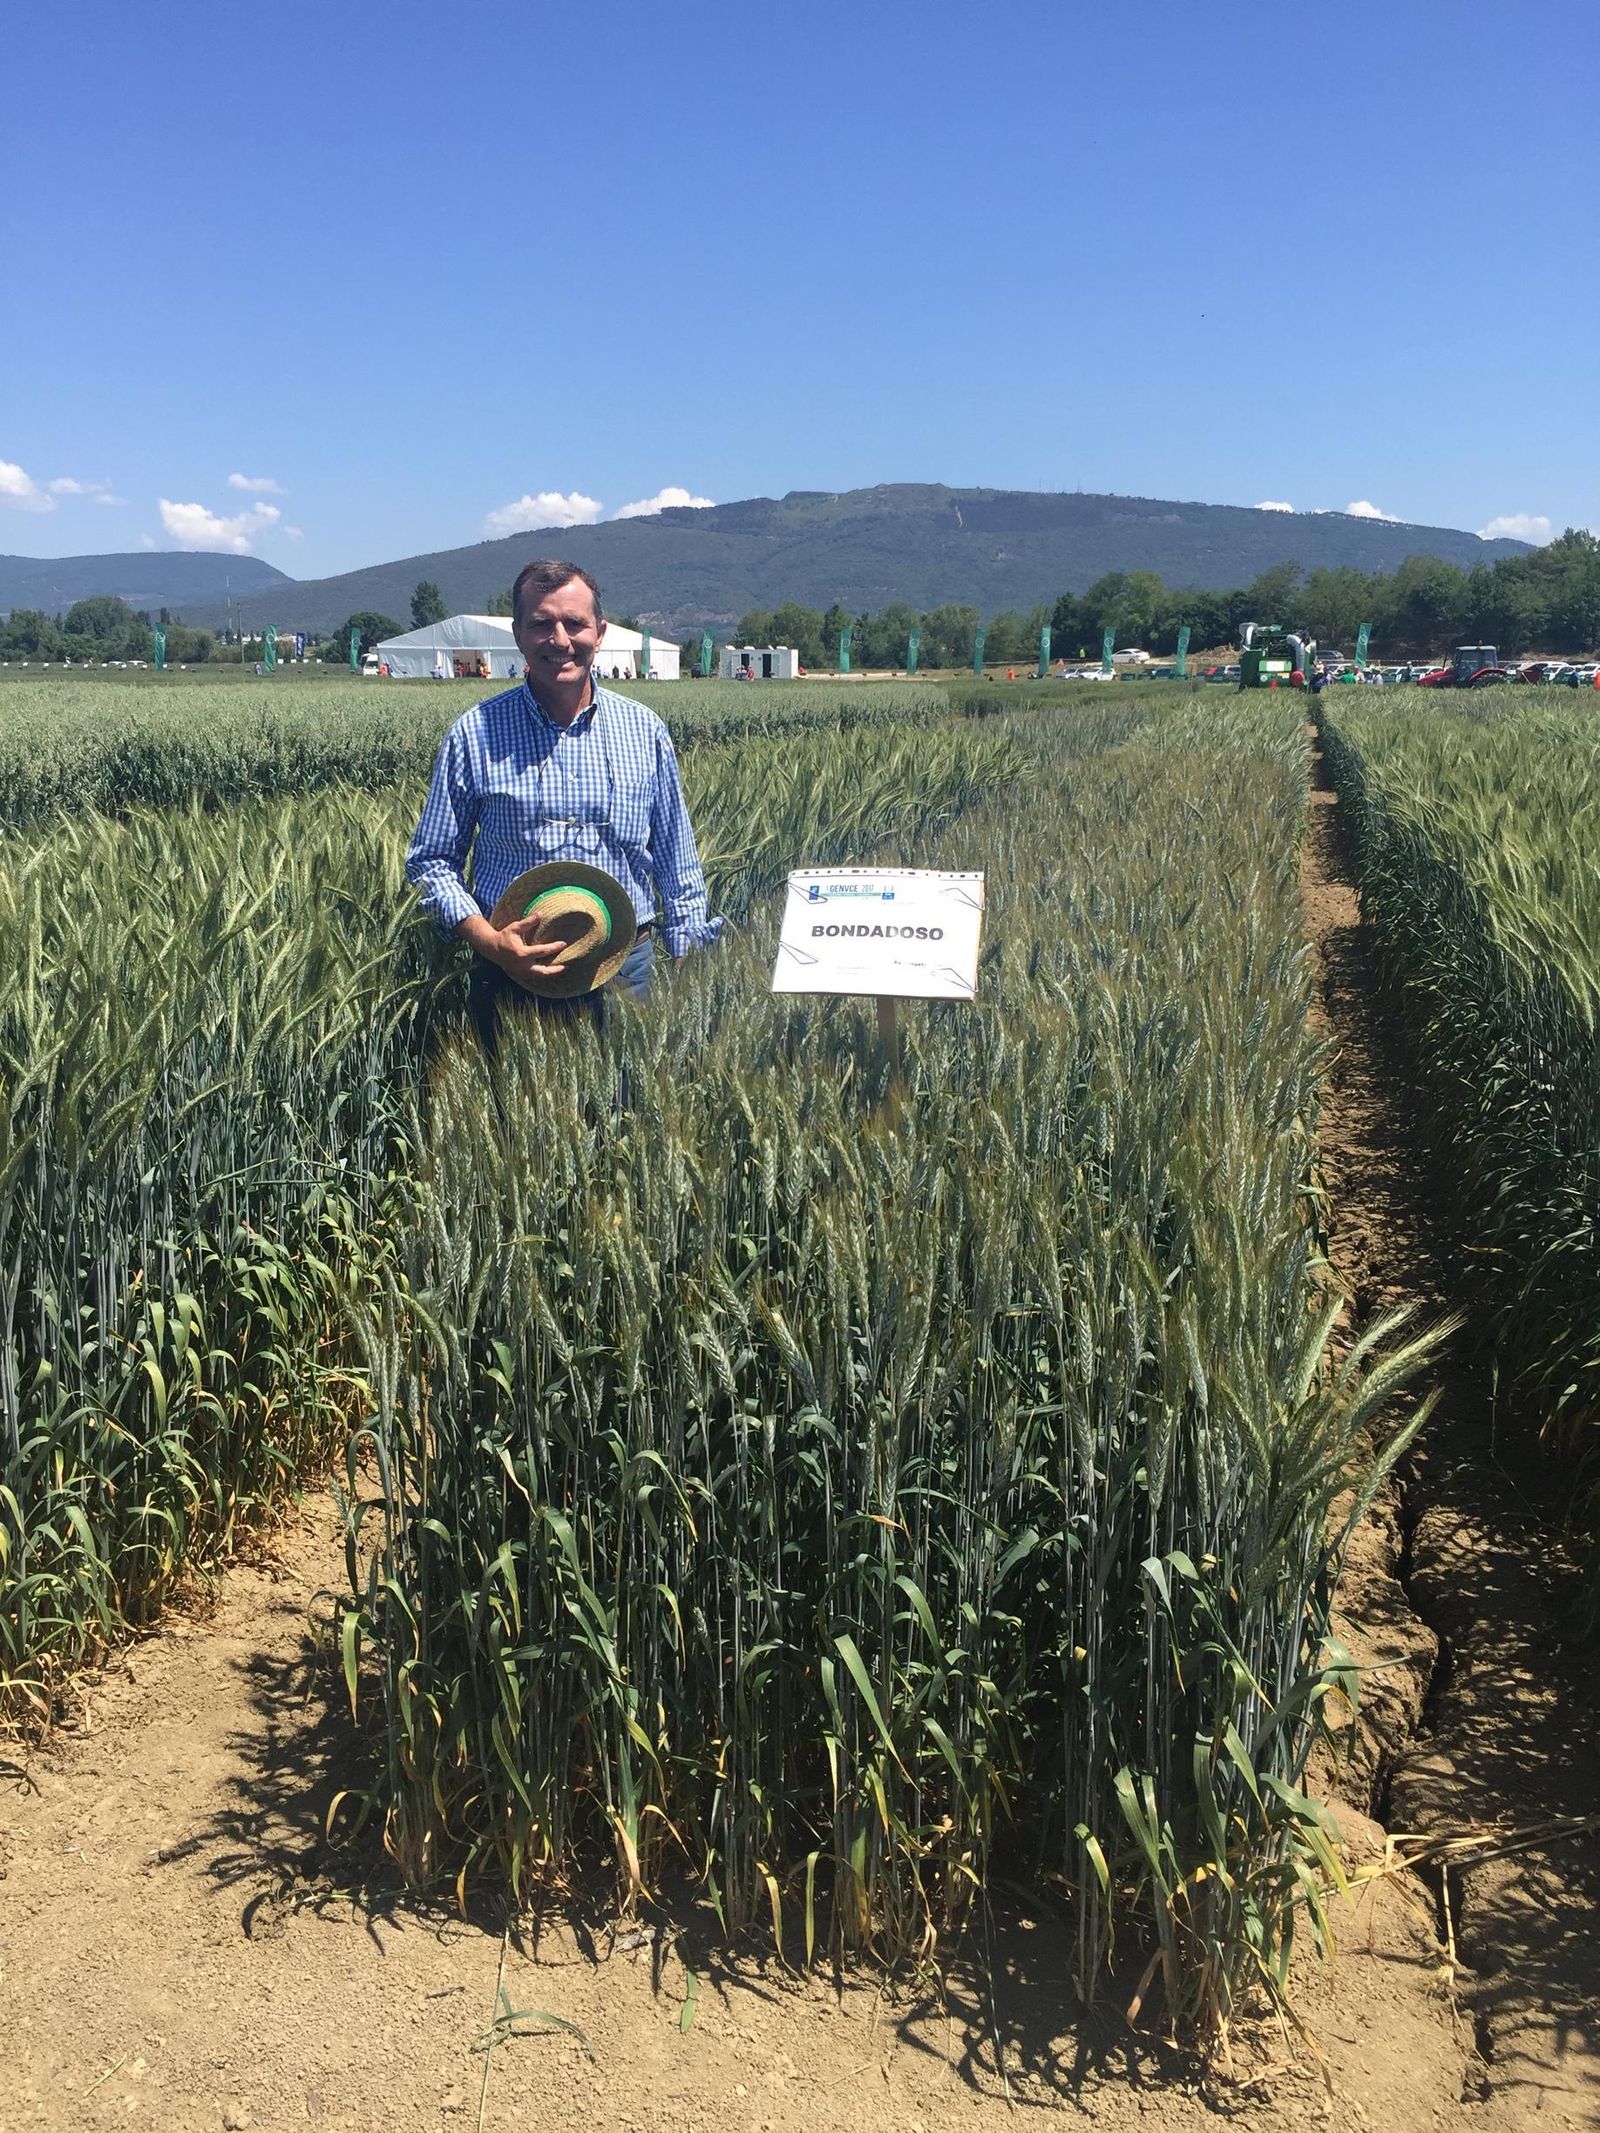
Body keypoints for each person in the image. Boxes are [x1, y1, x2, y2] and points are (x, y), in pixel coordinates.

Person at [406, 558, 722, 1052]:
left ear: (600, 631)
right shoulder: (473, 734)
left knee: (625, 1113)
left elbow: (676, 854)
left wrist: (685, 951)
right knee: (511, 1123)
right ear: (517, 633)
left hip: (625, 968)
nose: (559, 640)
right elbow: (431, 861)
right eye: (541, 623)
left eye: (574, 623)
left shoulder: (644, 730)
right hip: (510, 970)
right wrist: (491, 944)